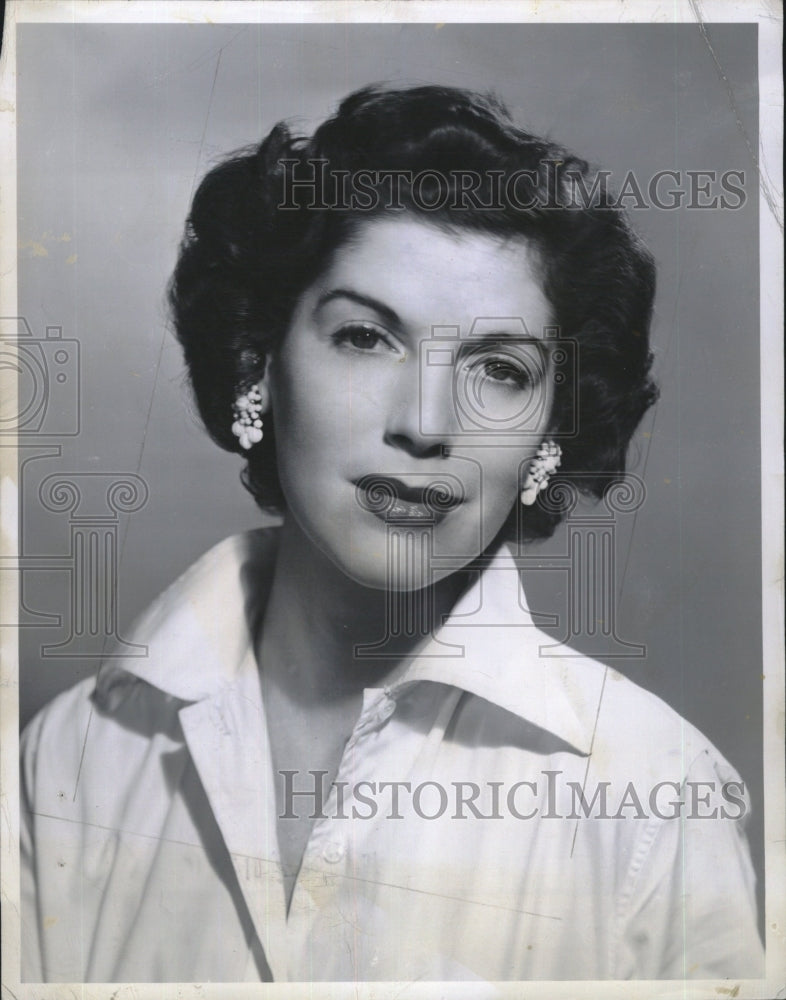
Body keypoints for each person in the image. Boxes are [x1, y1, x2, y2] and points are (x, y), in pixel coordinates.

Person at [20, 84, 764, 982]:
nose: (425, 422)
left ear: (548, 433)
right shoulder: (71, 756)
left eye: (498, 368)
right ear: (258, 361)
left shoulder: (654, 798)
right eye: (367, 338)